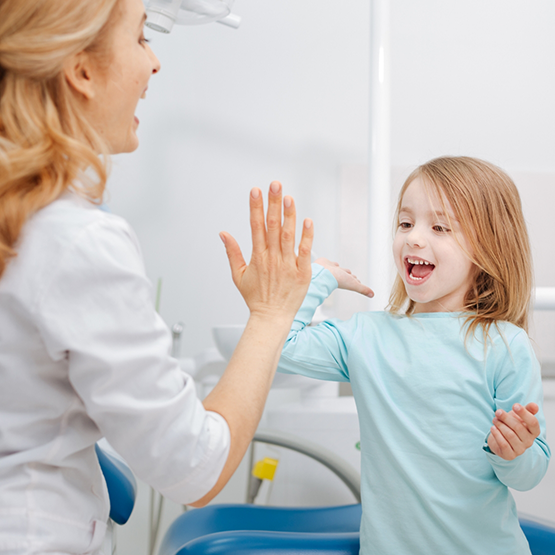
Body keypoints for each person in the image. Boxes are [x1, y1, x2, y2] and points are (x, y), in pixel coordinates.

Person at [0, 0, 314, 553]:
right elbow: (196, 468)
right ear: (81, 70)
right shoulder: (75, 240)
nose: (155, 64)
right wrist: (271, 313)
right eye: (142, 38)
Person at [278, 156, 551, 555]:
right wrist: (319, 279)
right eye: (406, 223)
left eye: (439, 227)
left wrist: (514, 454)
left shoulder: (506, 346)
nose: (414, 238)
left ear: (487, 248)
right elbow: (280, 346)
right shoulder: (366, 336)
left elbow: (530, 474)